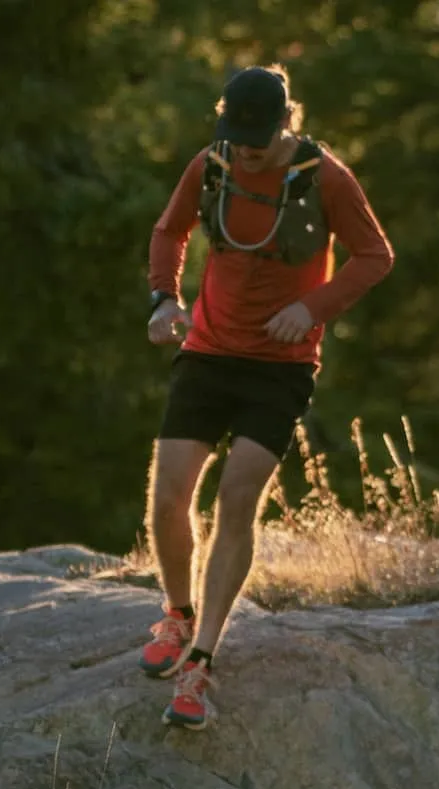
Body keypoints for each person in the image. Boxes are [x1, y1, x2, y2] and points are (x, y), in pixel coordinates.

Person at [137, 64, 395, 730]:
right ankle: (175, 612)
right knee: (169, 495)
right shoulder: (213, 164)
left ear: (287, 122)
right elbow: (170, 232)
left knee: (237, 497)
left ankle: (201, 659)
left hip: (279, 367)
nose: (245, 148)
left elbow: (374, 255)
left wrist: (312, 308)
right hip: (208, 351)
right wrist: (166, 298)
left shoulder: (325, 178)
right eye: (235, 134)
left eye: (258, 137)